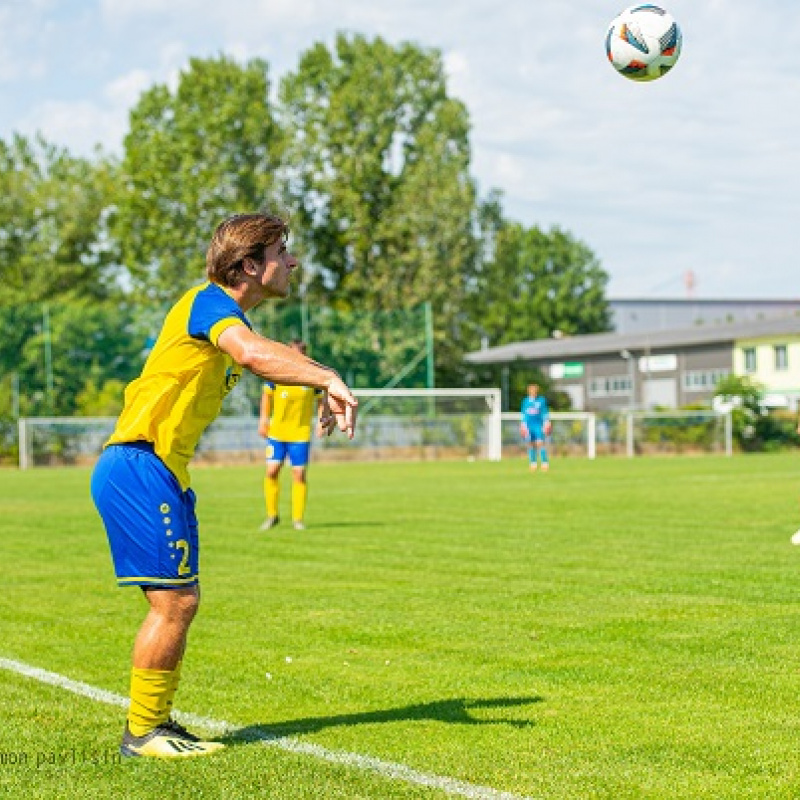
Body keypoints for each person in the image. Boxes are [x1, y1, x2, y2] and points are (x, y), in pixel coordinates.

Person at [90, 212, 357, 759]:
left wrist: (322, 374)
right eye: (283, 252)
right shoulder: (209, 302)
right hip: (139, 464)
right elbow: (254, 356)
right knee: (175, 603)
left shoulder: (229, 317)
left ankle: (152, 727)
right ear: (249, 265)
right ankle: (143, 734)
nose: (294, 262)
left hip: (160, 472)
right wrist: (328, 378)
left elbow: (266, 356)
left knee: (179, 601)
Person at [258, 339, 324, 531]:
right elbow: (266, 396)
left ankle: (297, 519)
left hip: (300, 434)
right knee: (271, 471)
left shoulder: (311, 377)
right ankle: (272, 515)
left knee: (299, 474)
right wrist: (263, 420)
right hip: (277, 432)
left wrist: (321, 420)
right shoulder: (278, 374)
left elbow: (321, 400)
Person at [520, 383, 551, 472]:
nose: (533, 392)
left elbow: (545, 412)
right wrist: (523, 425)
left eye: (535, 390)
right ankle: (533, 463)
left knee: (540, 443)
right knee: (530, 444)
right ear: (529, 391)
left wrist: (546, 422)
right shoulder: (525, 401)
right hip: (529, 426)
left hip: (538, 425)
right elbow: (523, 414)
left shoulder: (541, 400)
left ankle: (545, 463)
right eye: (532, 390)